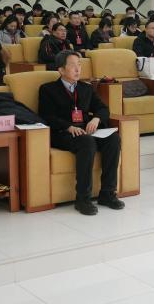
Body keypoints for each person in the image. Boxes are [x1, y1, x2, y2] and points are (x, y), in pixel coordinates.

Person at [38, 50, 124, 215]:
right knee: (87, 142)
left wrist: (96, 119)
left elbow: (103, 108)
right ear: (61, 70)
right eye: (72, 66)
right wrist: (69, 127)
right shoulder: (48, 89)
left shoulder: (86, 88)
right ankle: (83, 199)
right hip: (62, 133)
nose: (78, 69)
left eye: (79, 65)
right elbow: (46, 116)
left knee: (113, 139)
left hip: (85, 130)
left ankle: (107, 193)